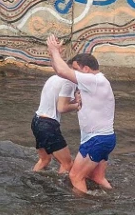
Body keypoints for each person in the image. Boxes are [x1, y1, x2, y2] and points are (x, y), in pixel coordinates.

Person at [46, 35, 116, 194]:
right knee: (97, 178)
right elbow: (60, 71)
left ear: (86, 69)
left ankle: (82, 211)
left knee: (75, 176)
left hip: (96, 140)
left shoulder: (95, 80)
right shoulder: (97, 81)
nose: (74, 74)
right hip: (105, 138)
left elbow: (64, 71)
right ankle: (112, 200)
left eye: (76, 70)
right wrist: (53, 55)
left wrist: (54, 50)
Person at [32, 74, 80, 174]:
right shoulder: (70, 82)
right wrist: (78, 105)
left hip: (37, 121)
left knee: (45, 160)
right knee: (67, 164)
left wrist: (75, 101)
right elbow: (61, 108)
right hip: (48, 126)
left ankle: (32, 177)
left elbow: (58, 100)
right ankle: (60, 188)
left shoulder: (55, 77)